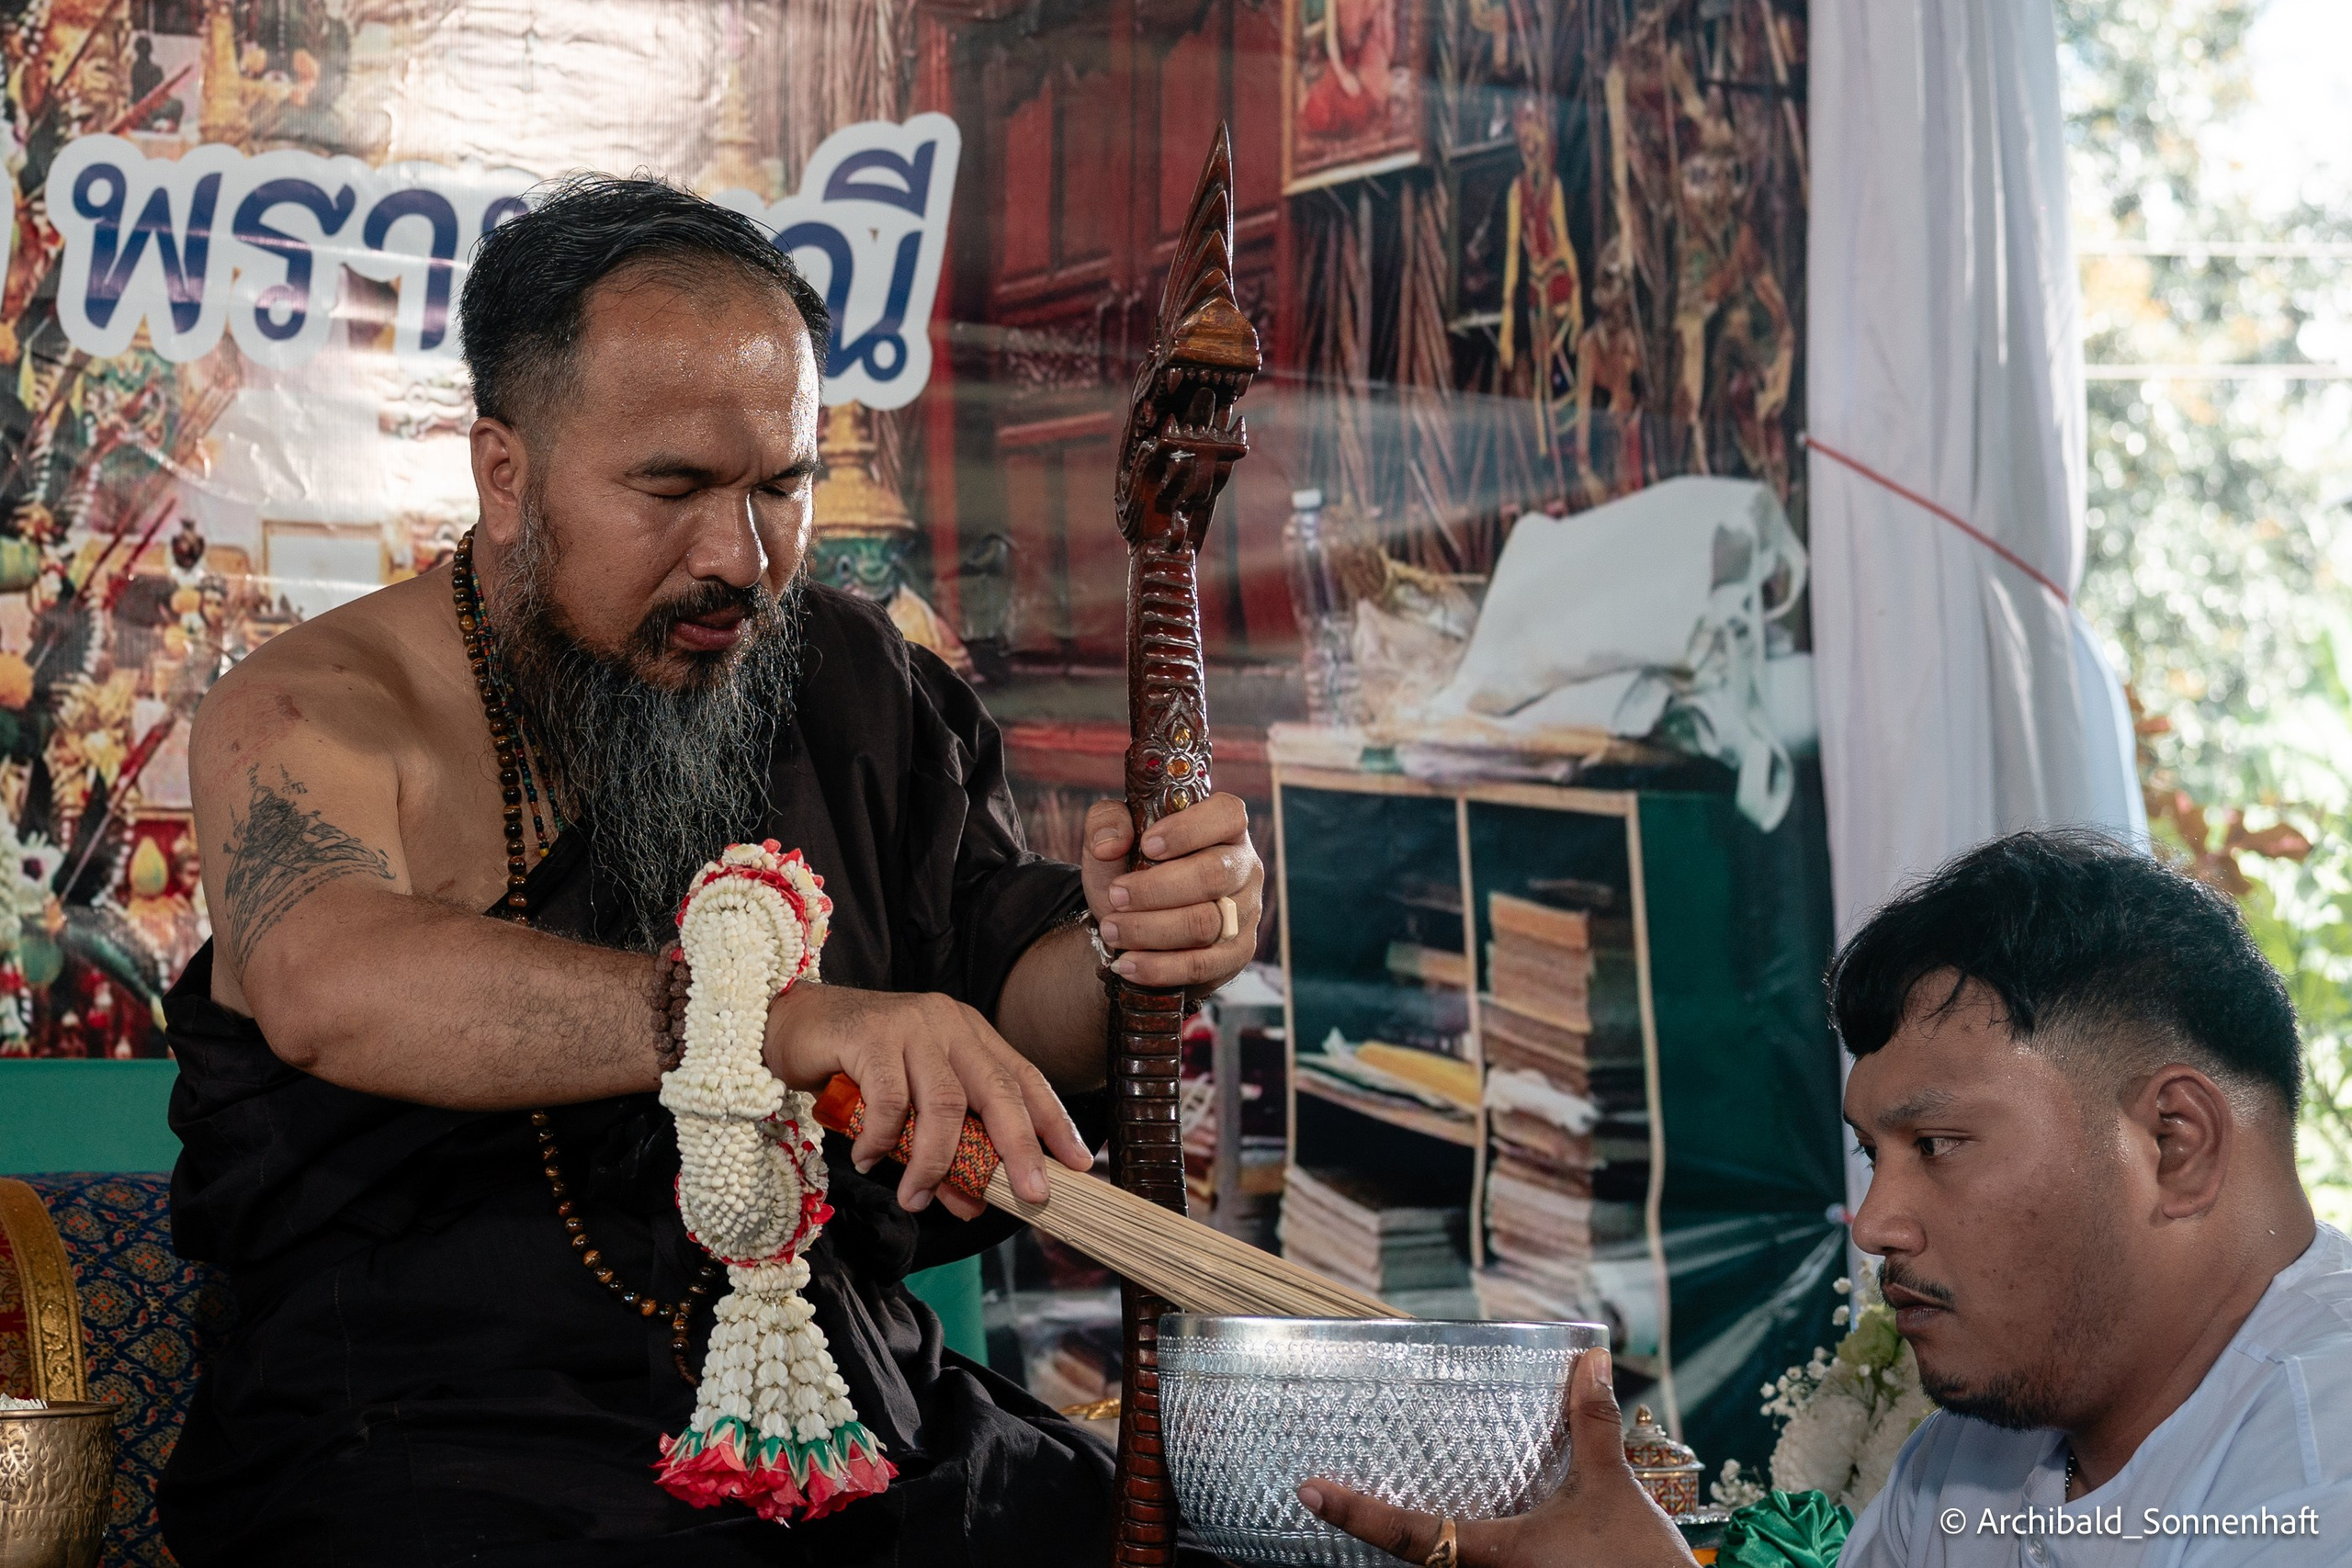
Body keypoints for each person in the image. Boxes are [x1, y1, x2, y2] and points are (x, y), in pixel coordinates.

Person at [159, 175, 1264, 1566]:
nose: (741, 559)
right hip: (439, 1426)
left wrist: (1132, 942)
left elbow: (1006, 993)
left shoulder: (853, 679)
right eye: (673, 490)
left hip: (842, 1412)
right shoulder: (311, 707)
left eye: (782, 486)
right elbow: (329, 977)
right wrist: (773, 1021)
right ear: (504, 471)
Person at [1302, 830, 2347, 1566]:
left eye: (1937, 1145)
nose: (1878, 1227)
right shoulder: (1973, 1453)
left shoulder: (2322, 1468)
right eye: (1872, 1154)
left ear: (2172, 1146)